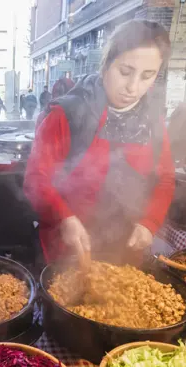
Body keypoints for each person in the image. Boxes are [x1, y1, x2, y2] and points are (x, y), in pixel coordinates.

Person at [24, 20, 175, 265]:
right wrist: (64, 217)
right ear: (106, 64)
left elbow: (165, 180)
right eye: (125, 72)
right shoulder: (67, 114)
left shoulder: (153, 122)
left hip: (125, 254)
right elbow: (35, 179)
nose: (133, 87)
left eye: (148, 76)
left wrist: (150, 223)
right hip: (66, 251)